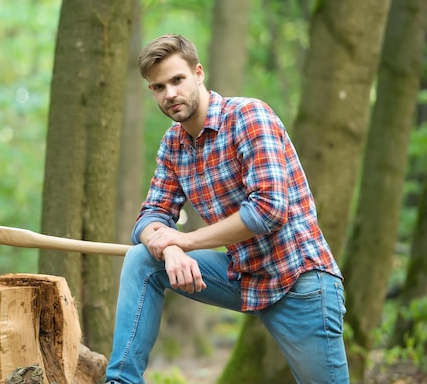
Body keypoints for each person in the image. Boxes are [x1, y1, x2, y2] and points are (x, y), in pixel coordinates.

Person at [104, 34, 349, 384]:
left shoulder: (248, 116)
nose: (169, 93)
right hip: (242, 275)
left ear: (198, 73)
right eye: (158, 87)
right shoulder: (173, 144)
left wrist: (184, 242)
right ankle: (121, 381)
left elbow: (268, 211)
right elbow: (149, 216)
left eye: (177, 80)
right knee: (143, 258)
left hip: (298, 281)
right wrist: (170, 247)